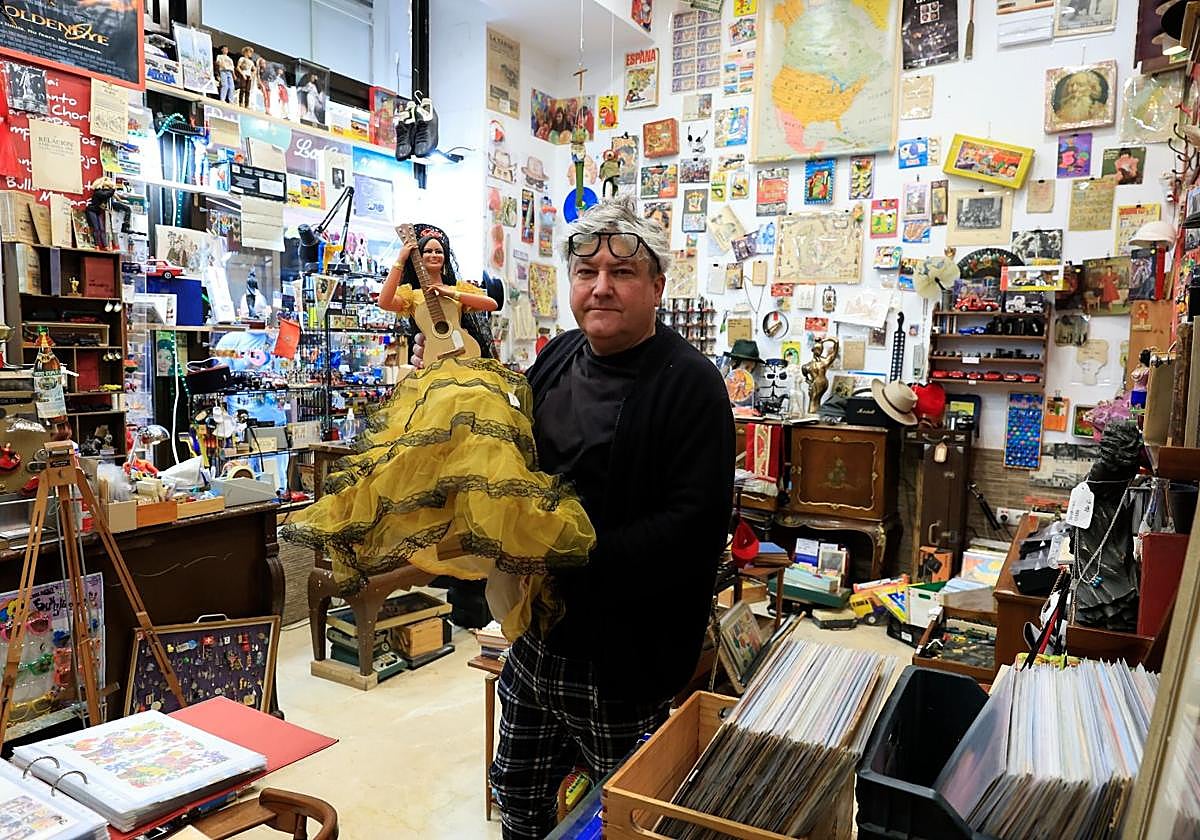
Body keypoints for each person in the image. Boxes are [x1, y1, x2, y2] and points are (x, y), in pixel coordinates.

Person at [439, 196, 733, 840]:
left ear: (657, 286)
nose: (601, 287)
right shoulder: (560, 354)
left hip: (623, 656)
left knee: (626, 813)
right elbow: (515, 451)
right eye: (586, 271)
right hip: (536, 636)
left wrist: (569, 557)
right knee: (518, 795)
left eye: (622, 273)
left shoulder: (691, 385)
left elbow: (695, 527)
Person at [281, 224, 594, 638]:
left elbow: (488, 301)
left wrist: (450, 293)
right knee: (424, 449)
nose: (433, 257)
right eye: (426, 252)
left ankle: (480, 529)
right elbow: (385, 300)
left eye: (438, 251)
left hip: (465, 370)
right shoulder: (413, 296)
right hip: (432, 377)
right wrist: (401, 257)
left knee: (480, 439)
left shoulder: (456, 289)